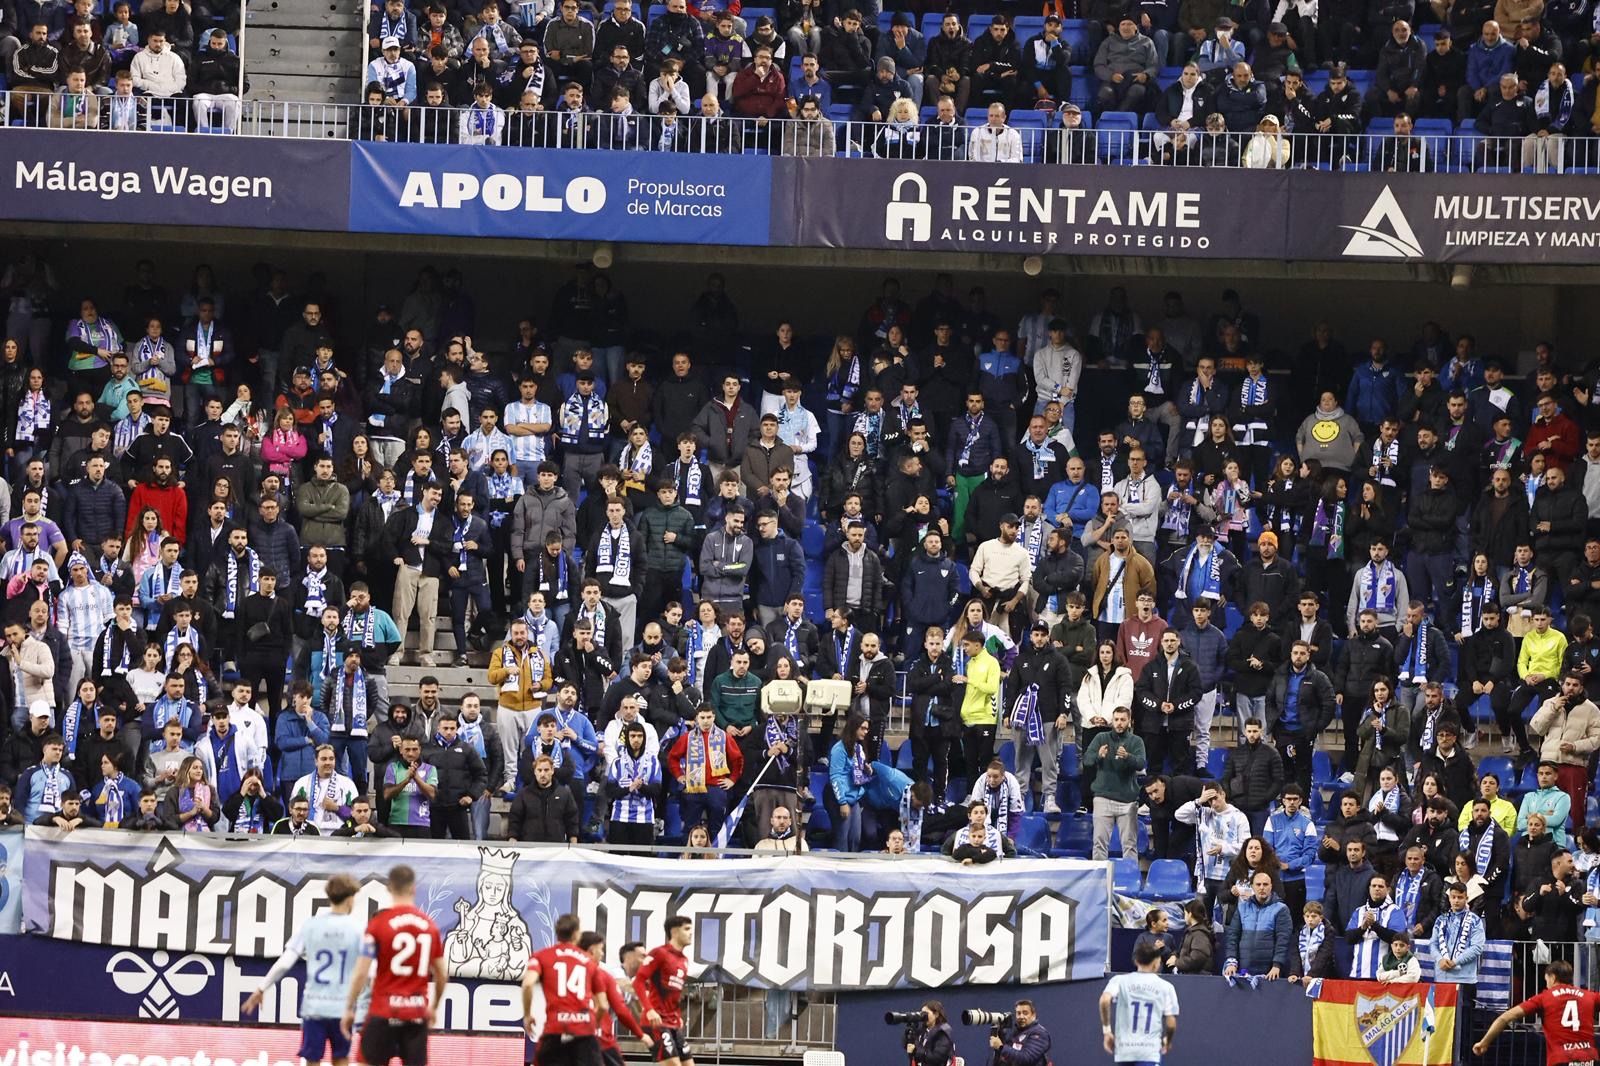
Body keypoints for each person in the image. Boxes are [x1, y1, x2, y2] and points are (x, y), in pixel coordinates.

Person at [244, 872, 365, 1066]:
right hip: (342, 1008)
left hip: (314, 1007)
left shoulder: (310, 926)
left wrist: (261, 988)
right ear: (350, 899)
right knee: (341, 1058)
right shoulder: (358, 929)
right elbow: (366, 971)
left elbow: (285, 962)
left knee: (312, 1059)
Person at [341, 865, 447, 1066]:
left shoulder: (379, 924)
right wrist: (433, 1006)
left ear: (389, 888)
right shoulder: (429, 927)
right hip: (415, 1014)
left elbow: (361, 972)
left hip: (383, 1012)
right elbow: (442, 974)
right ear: (413, 889)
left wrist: (348, 1007)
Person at [522, 912, 648, 1066]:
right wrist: (593, 1025)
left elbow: (528, 984)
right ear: (576, 934)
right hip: (584, 1032)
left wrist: (528, 1015)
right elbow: (602, 1005)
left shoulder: (541, 956)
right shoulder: (589, 963)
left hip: (555, 1029)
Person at [1474, 959, 1600, 1059]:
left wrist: (1484, 1042)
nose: (1547, 984)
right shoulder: (1590, 995)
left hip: (1561, 1059)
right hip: (1588, 1058)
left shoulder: (1543, 998)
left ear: (1553, 977)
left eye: (1546, 980)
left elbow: (1505, 1017)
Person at [1101, 940, 1179, 1063]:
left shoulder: (1119, 981)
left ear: (1136, 961)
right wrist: (1167, 1041)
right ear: (1156, 963)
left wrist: (1107, 1031)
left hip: (1124, 1051)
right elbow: (1171, 1023)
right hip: (1149, 1051)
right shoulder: (1166, 987)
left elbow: (1105, 1000)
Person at [634, 915, 695, 1066]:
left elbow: (673, 994)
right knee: (673, 1064)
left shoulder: (684, 960)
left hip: (672, 1021)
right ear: (674, 932)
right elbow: (638, 981)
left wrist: (678, 1015)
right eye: (686, 929)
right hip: (656, 1021)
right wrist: (649, 1010)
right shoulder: (659, 953)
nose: (691, 933)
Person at [1224, 871, 1292, 980]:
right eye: (1258, 884)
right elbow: (1233, 936)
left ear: (1271, 886)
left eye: (1265, 884)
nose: (1261, 888)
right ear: (1252, 887)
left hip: (1270, 972)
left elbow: (1283, 941)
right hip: (1244, 968)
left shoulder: (1281, 909)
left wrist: (1277, 965)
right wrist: (1231, 961)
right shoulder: (1242, 907)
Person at [989, 999, 1051, 1064]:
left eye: (1025, 1013)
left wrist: (1001, 1047)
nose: (1021, 1016)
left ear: (1033, 1015)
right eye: (1018, 1013)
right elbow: (1007, 1054)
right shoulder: (1016, 1032)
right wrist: (1000, 1033)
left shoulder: (1040, 1033)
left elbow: (1026, 1058)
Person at [905, 1001, 954, 1066]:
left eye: (926, 1014)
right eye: (921, 1014)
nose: (923, 1017)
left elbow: (936, 1058)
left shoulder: (943, 1032)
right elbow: (907, 1045)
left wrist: (916, 1050)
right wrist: (908, 1033)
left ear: (936, 1014)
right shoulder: (923, 1031)